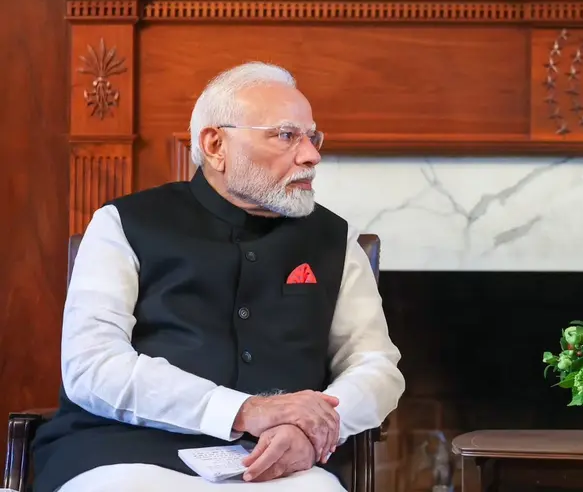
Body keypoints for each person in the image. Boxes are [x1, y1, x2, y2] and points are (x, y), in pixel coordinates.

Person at [30, 62, 406, 491]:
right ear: (215, 145)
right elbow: (92, 366)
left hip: (277, 462)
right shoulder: (122, 224)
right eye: (286, 136)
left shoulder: (335, 239)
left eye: (312, 137)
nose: (311, 156)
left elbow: (376, 367)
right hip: (120, 452)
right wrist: (243, 411)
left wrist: (314, 429)